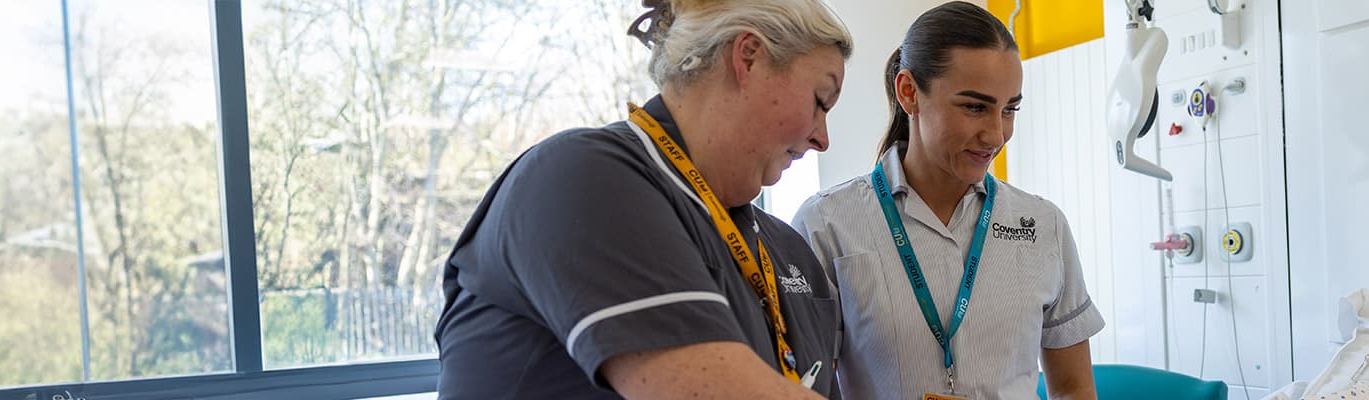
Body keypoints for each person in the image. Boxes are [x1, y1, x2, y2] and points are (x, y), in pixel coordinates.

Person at [431, 0, 852, 398]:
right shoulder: (583, 178)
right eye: (820, 101)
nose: (823, 139)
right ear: (749, 57)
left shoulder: (789, 251)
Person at [790, 2, 1103, 399]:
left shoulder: (1042, 225)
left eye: (1010, 109)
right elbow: (805, 388)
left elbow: (1074, 388)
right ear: (909, 93)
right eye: (975, 107)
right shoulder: (826, 225)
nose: (996, 135)